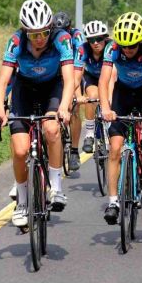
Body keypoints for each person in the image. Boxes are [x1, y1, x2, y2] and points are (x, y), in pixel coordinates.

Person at [0, 0, 74, 227]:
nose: (40, 39)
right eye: (33, 34)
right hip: (24, 90)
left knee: (51, 127)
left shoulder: (62, 39)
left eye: (44, 33)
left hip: (52, 88)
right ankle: (22, 202)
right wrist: (0, 110)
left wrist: (64, 107)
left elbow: (68, 79)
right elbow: (2, 82)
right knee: (20, 150)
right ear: (25, 31)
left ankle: (56, 187)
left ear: (51, 28)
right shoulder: (15, 41)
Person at [99, 12, 142, 224]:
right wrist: (105, 108)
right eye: (124, 47)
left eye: (132, 46)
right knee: (115, 147)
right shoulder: (112, 48)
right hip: (124, 93)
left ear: (141, 41)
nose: (127, 51)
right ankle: (113, 202)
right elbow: (103, 81)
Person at [54, 11, 85, 170]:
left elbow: (78, 66)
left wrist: (76, 93)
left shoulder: (77, 36)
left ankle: (74, 150)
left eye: (65, 30)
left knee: (74, 107)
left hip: (75, 69)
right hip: (58, 72)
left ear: (70, 27)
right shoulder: (52, 37)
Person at [75, 20, 112, 153]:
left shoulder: (111, 47)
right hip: (91, 77)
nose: (95, 43)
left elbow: (113, 76)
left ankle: (108, 131)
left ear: (105, 38)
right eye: (91, 40)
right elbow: (76, 76)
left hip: (109, 78)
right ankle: (89, 133)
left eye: (99, 39)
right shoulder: (82, 49)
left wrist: (110, 98)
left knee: (108, 100)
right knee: (92, 96)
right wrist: (79, 96)